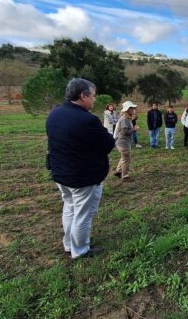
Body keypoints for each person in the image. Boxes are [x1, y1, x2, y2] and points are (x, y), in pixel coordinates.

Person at [46, 78, 114, 259]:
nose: (94, 100)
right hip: (82, 177)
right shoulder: (88, 120)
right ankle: (81, 250)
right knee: (83, 215)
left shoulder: (54, 114)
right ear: (83, 96)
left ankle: (69, 244)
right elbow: (108, 144)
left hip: (61, 173)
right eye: (93, 96)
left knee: (69, 208)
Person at [114, 101, 139, 180]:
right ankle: (125, 176)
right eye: (131, 108)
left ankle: (119, 170)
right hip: (123, 142)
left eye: (133, 108)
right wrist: (133, 129)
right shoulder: (124, 119)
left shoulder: (127, 118)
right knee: (126, 159)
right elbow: (125, 132)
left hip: (124, 142)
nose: (133, 110)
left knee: (124, 157)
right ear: (127, 110)